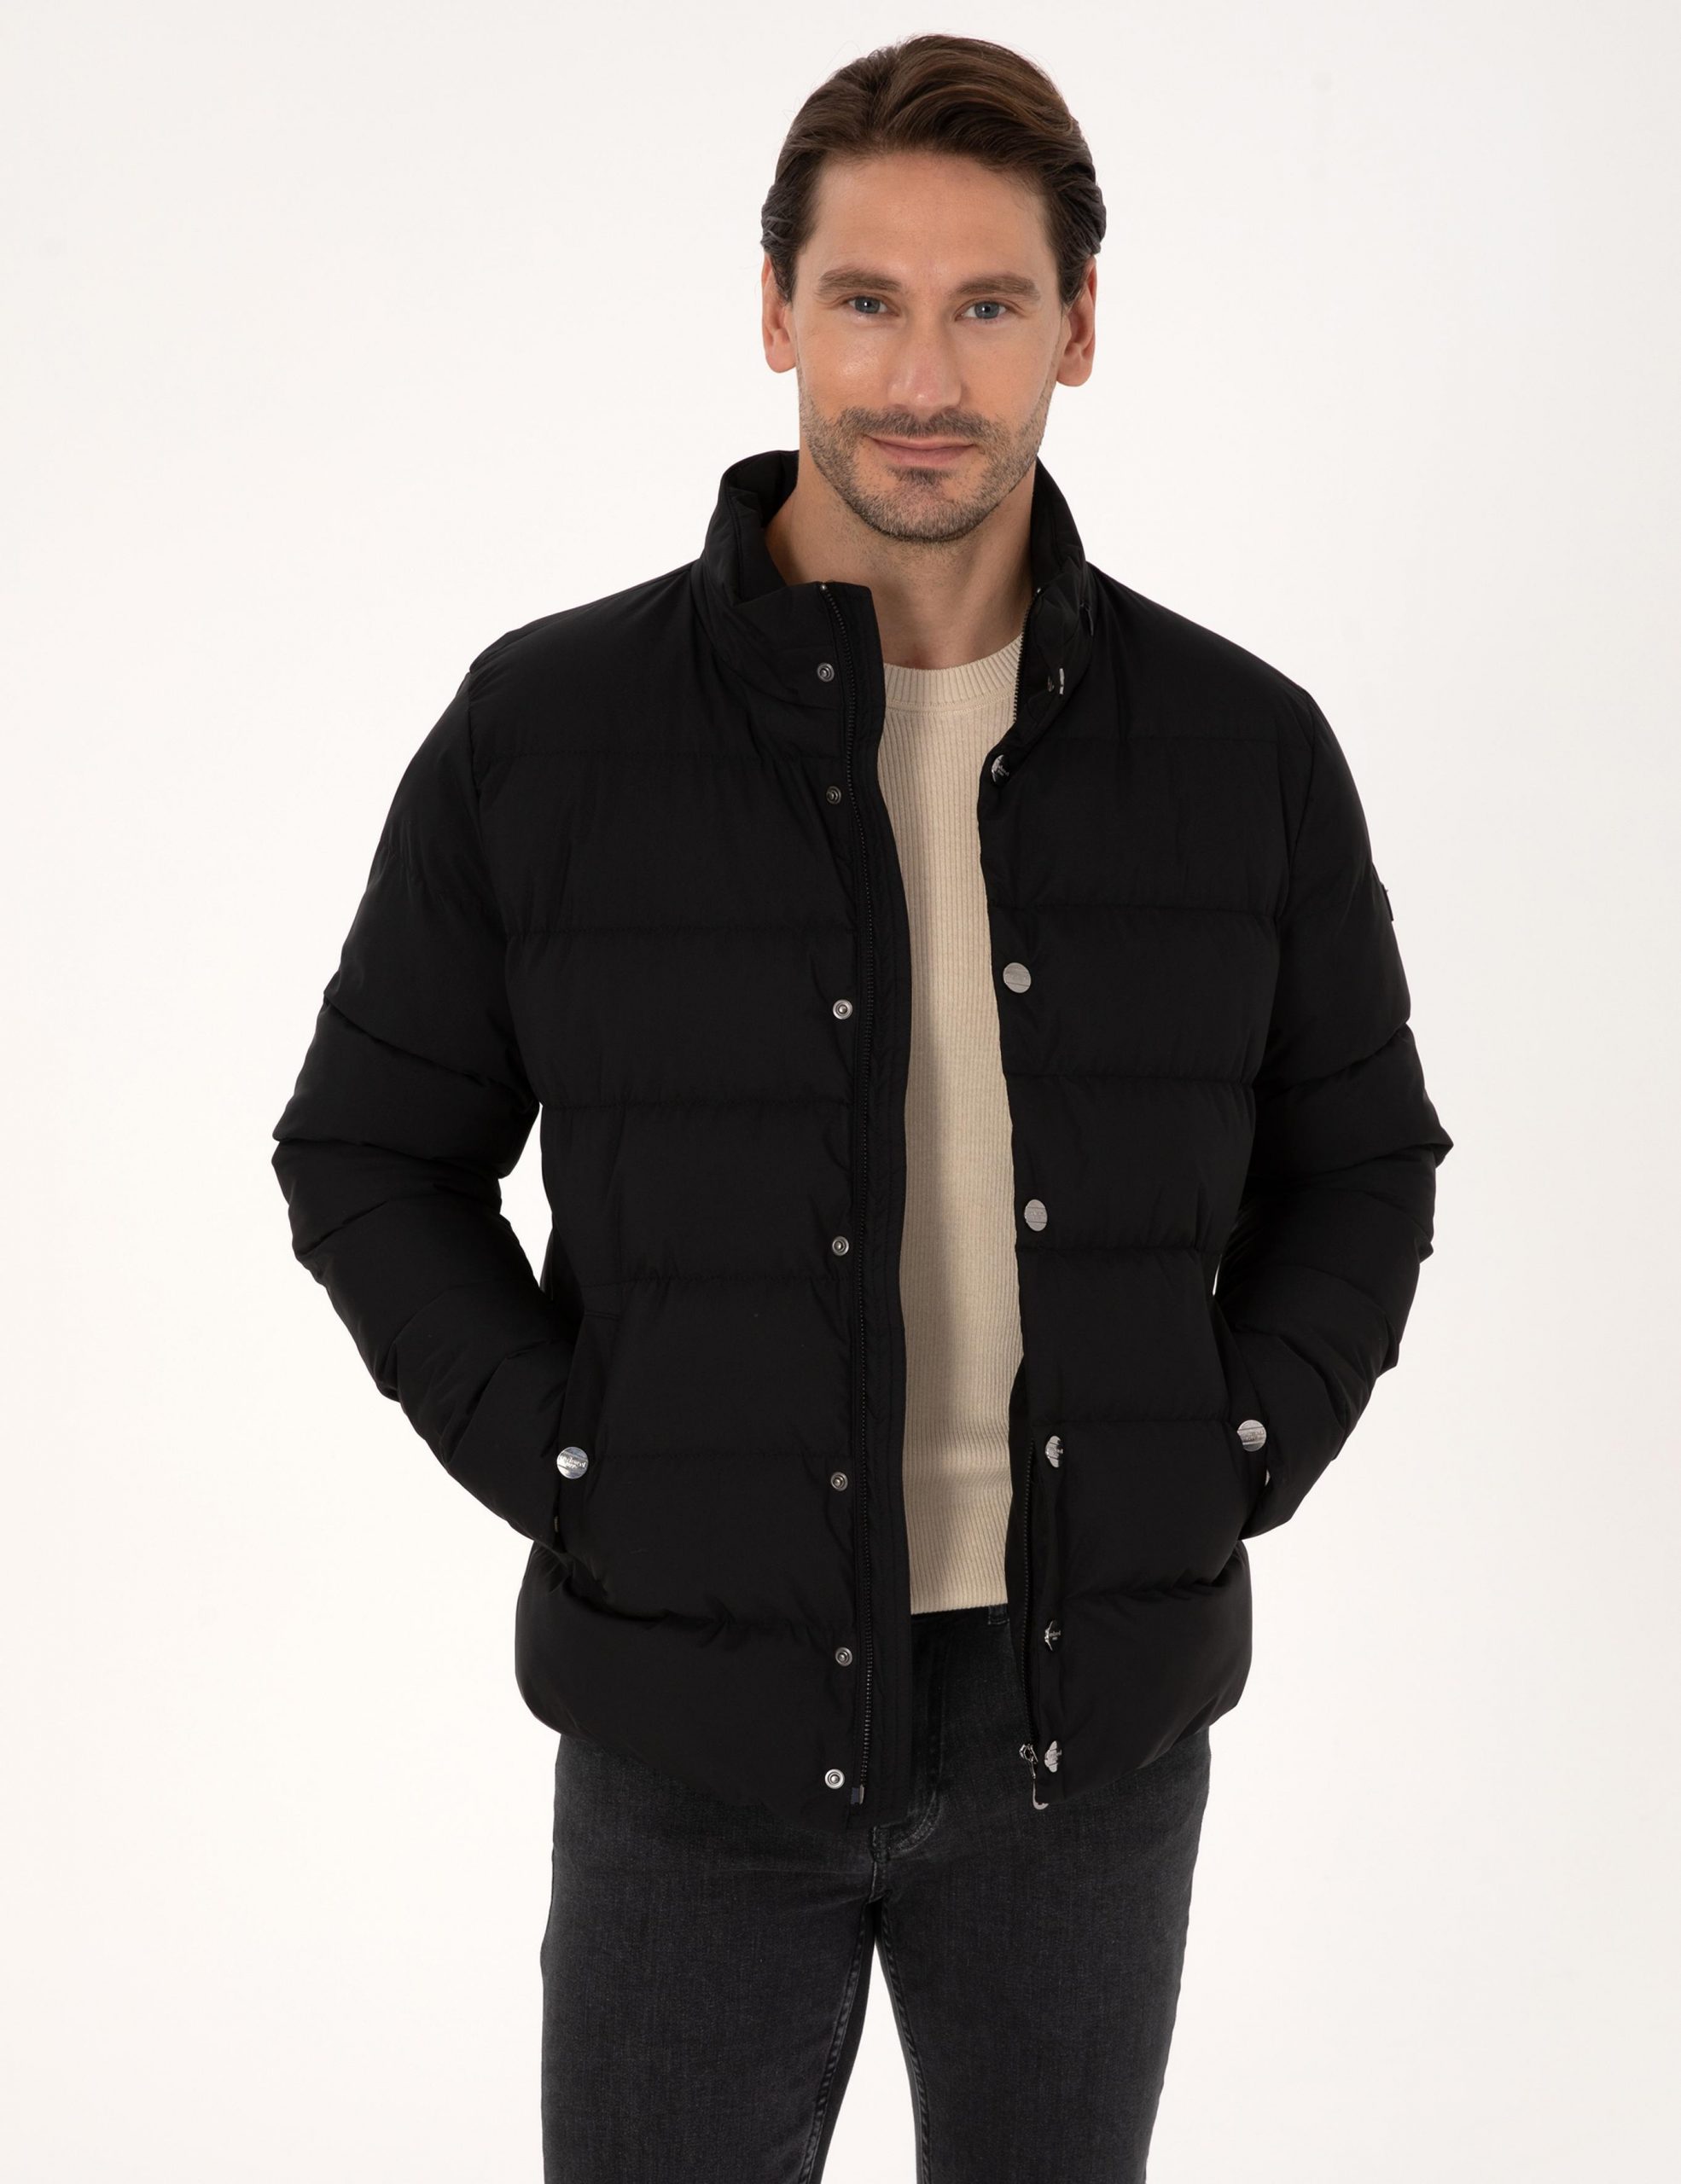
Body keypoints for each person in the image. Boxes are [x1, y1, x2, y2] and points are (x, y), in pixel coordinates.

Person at [270, 32, 1451, 2183]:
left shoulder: (1242, 749)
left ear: (1076, 327)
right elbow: (366, 1147)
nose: (922, 375)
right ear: (773, 312)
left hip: (1086, 1731)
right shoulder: (549, 732)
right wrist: (572, 1457)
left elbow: (1363, 1157)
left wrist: (1234, 1451)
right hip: (689, 1716)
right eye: (865, 299)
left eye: (986, 303)